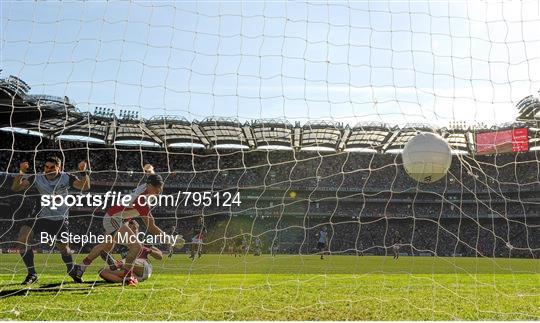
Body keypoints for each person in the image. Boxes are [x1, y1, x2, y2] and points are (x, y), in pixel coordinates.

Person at [74, 174, 180, 285]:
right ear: (148, 185)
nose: (159, 190)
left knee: (105, 247)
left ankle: (80, 268)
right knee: (136, 247)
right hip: (114, 218)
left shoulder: (145, 188)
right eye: (156, 187)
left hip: (116, 216)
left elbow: (150, 178)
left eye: (160, 186)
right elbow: (151, 227)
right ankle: (127, 276)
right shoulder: (141, 200)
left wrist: (150, 171)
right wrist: (170, 240)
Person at [11, 157, 90, 285]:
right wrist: (21, 172)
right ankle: (32, 274)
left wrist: (83, 171)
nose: (49, 170)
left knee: (64, 249)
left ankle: (71, 271)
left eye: (52, 167)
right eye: (46, 167)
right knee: (22, 239)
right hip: (39, 215)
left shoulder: (67, 177)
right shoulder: (37, 178)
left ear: (60, 167)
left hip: (59, 218)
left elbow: (85, 186)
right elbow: (16, 188)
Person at [98, 220, 162, 283]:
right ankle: (126, 280)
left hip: (144, 269)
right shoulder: (122, 244)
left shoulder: (143, 242)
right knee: (102, 271)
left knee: (131, 259)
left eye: (134, 229)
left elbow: (160, 256)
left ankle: (117, 264)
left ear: (138, 230)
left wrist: (149, 250)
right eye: (129, 229)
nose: (132, 232)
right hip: (129, 271)